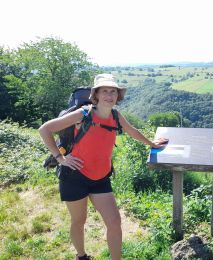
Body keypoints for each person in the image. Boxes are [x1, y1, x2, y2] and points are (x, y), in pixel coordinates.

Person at [39, 73, 168, 260]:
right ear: (96, 95)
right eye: (105, 91)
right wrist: (60, 158)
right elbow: (45, 129)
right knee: (79, 220)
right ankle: (82, 256)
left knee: (114, 222)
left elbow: (132, 131)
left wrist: (152, 144)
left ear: (118, 96)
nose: (109, 95)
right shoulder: (83, 114)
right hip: (74, 176)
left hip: (100, 177)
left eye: (113, 91)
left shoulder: (116, 115)